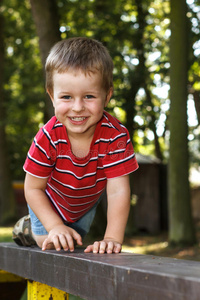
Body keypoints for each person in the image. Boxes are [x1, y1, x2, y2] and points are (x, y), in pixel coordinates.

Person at [13, 37, 138, 254]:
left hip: (83, 207)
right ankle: (27, 228)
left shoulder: (115, 137)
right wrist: (54, 226)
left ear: (107, 95)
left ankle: (60, 228)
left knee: (72, 241)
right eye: (67, 97)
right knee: (50, 241)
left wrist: (112, 238)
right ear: (52, 96)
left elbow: (118, 191)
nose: (78, 107)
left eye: (89, 96)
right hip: (48, 201)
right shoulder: (48, 137)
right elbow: (33, 188)